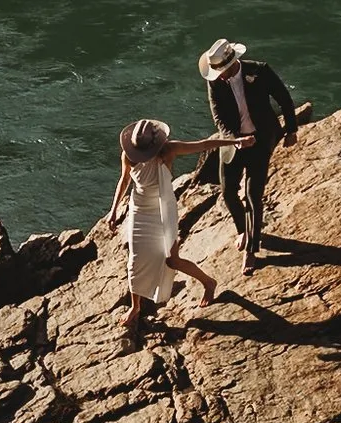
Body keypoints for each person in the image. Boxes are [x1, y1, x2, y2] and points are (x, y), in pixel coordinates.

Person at [105, 117, 250, 340]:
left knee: (172, 260)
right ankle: (136, 306)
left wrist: (235, 141)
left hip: (163, 210)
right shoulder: (129, 156)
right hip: (138, 210)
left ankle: (209, 283)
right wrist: (114, 210)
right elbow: (124, 181)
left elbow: (203, 145)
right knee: (135, 258)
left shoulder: (169, 150)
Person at [197, 37, 298, 274]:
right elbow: (218, 116)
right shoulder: (215, 83)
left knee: (253, 194)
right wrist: (235, 138)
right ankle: (243, 229)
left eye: (222, 70)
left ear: (233, 62)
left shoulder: (259, 71)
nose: (219, 75)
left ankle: (251, 251)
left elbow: (284, 98)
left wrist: (291, 129)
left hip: (261, 140)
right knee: (228, 191)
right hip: (233, 142)